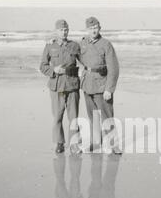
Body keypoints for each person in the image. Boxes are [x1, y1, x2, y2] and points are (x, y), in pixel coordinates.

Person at [79, 16, 121, 153]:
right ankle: (96, 143)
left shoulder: (106, 44)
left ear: (100, 28)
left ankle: (114, 146)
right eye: (91, 28)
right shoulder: (82, 43)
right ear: (87, 29)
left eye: (95, 28)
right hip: (87, 85)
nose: (93, 30)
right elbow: (71, 52)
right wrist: (53, 42)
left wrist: (109, 89)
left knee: (107, 117)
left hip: (102, 87)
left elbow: (114, 68)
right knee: (93, 117)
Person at [40, 19, 82, 154]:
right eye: (61, 30)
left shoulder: (75, 46)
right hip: (56, 86)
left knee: (73, 117)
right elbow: (43, 66)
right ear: (56, 31)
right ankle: (59, 142)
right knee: (57, 116)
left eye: (65, 30)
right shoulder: (49, 46)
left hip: (72, 85)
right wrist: (53, 70)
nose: (63, 32)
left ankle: (74, 144)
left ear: (68, 30)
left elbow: (85, 59)